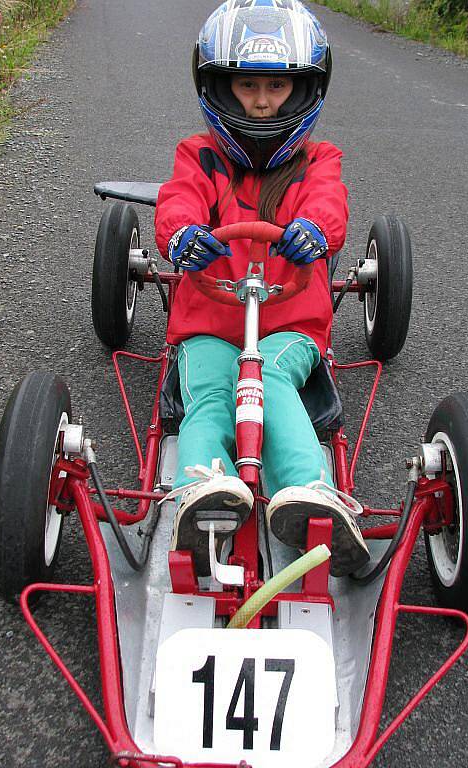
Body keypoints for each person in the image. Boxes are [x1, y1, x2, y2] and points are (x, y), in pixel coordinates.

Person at [155, 0, 370, 578]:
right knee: (209, 396)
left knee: (270, 380)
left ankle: (307, 491)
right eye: (247, 85)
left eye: (276, 86)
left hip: (290, 322)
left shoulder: (317, 159)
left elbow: (329, 203)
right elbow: (178, 200)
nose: (261, 101)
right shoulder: (197, 155)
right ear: (219, 86)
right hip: (208, 321)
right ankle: (201, 489)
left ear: (302, 89)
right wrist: (182, 235)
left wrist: (314, 231)